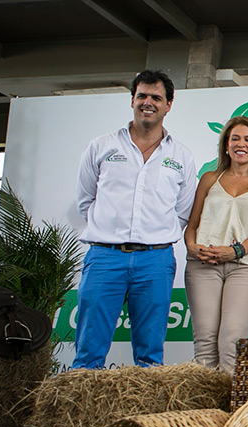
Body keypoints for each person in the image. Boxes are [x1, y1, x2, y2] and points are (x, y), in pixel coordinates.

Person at [74, 69, 197, 369]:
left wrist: (153, 235)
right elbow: (85, 201)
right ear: (132, 100)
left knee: (149, 356)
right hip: (104, 257)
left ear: (168, 105)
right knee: (88, 352)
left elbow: (183, 211)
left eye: (156, 97)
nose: (148, 102)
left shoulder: (181, 156)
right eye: (142, 96)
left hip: (155, 261)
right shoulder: (101, 147)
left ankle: (147, 403)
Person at [183, 116, 248, 374]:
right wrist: (191, 246)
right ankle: (205, 400)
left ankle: (230, 399)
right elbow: (192, 225)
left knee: (232, 342)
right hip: (203, 265)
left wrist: (235, 251)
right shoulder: (209, 179)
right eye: (235, 138)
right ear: (226, 145)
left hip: (245, 267)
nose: (241, 144)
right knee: (205, 343)